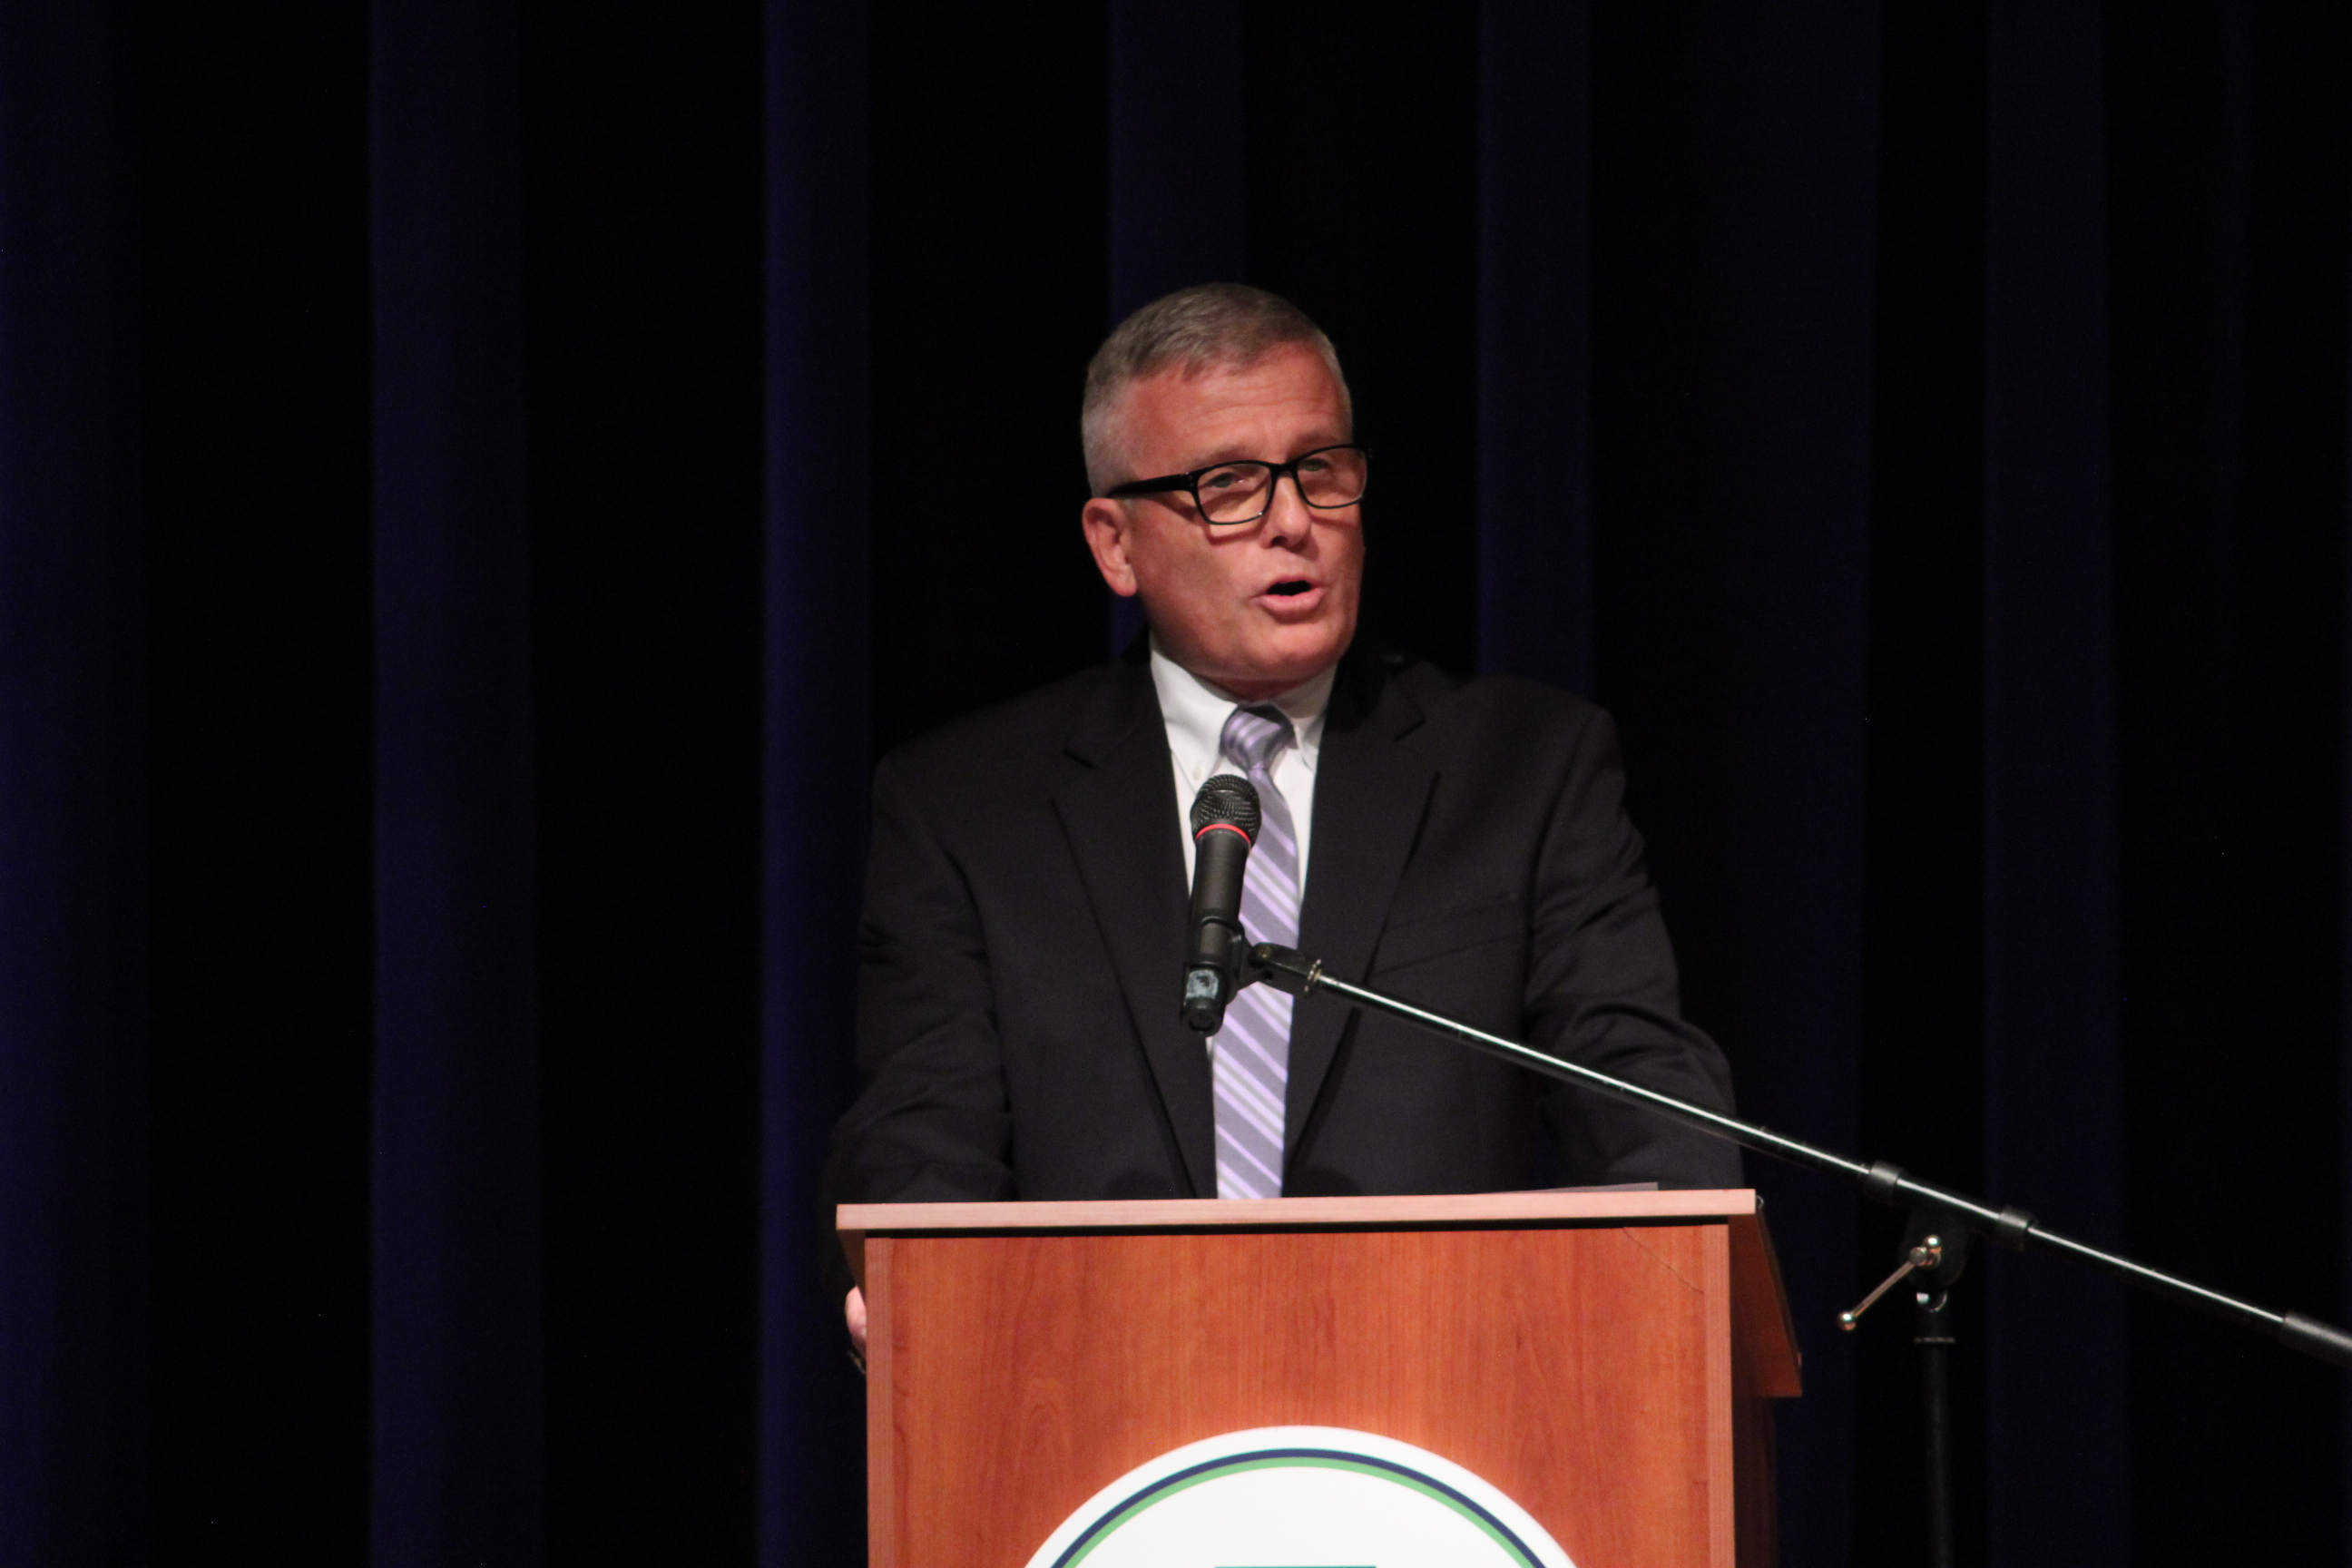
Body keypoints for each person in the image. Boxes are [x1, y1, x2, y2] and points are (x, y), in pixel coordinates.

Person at [829, 284, 1740, 1348]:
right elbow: (924, 1131)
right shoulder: (970, 811)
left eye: (1321, 471)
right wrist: (916, 1290)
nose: (1295, 522)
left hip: (1446, 1401)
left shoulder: (1523, 773)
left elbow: (1642, 1100)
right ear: (1115, 545)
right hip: (1096, 1398)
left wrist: (1677, 1279)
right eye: (1228, 485)